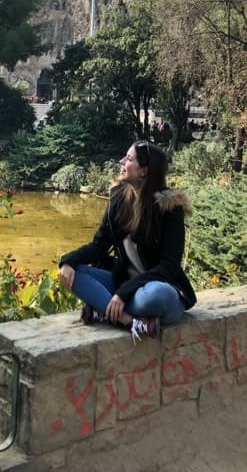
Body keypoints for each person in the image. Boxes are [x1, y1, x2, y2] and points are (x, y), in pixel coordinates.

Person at [59, 140, 196, 342]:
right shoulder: (118, 199)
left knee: (157, 295)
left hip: (155, 289)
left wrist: (123, 294)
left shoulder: (169, 208)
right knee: (72, 274)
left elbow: (169, 266)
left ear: (144, 171)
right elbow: (99, 246)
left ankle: (102, 308)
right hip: (123, 284)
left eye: (129, 159)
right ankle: (127, 320)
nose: (122, 161)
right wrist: (67, 260)